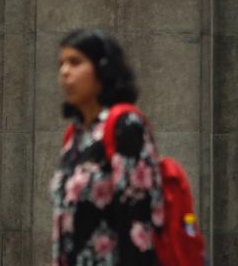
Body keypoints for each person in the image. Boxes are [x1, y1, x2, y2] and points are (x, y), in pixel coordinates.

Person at [50, 29, 163, 265]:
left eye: (75, 62)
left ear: (102, 68)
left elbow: (139, 224)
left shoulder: (125, 125)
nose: (64, 72)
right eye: (61, 64)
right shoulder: (75, 135)